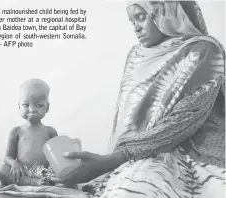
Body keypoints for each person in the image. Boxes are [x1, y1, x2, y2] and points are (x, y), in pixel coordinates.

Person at [52, 1, 225, 198]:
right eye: (131, 20)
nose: (135, 27)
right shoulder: (136, 55)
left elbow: (185, 119)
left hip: (184, 153)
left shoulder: (202, 50)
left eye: (142, 17)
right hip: (130, 154)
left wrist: (113, 160)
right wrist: (110, 160)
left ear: (167, 12)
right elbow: (125, 117)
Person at [0, 78, 58, 187]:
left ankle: (42, 181)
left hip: (45, 173)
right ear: (19, 106)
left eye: (39, 105)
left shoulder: (50, 131)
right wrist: (14, 163)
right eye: (26, 105)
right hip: (23, 173)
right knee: (1, 169)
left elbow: (57, 155)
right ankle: (32, 183)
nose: (32, 109)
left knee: (64, 174)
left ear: (47, 107)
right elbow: (8, 157)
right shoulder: (16, 131)